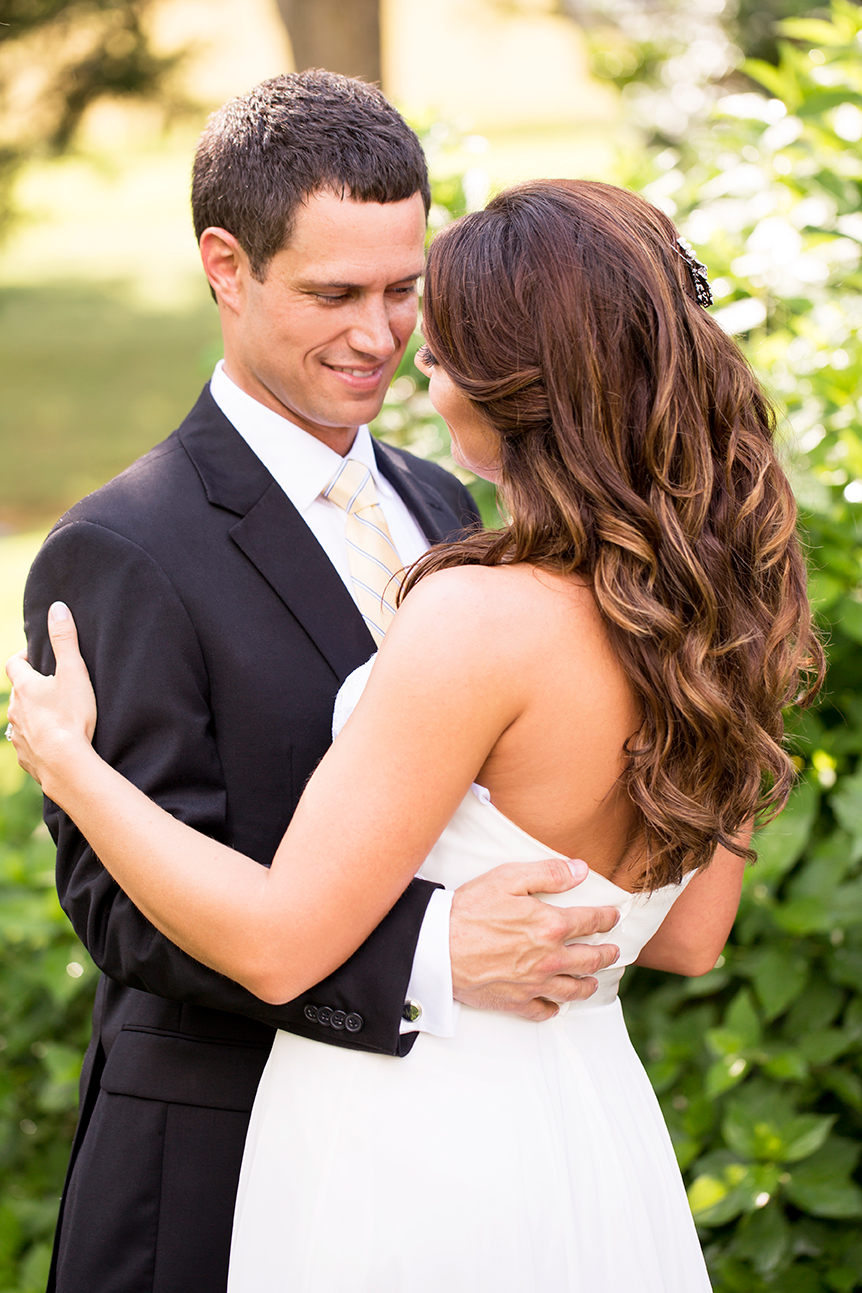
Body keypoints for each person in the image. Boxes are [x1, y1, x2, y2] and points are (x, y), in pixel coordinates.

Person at [8, 177, 822, 1290]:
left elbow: (278, 938)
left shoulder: (476, 596)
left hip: (415, 1139)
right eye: (343, 291)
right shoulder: (717, 606)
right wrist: (437, 947)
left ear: (512, 382)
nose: (403, 363)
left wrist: (63, 759)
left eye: (429, 340)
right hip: (587, 1128)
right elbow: (686, 938)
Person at [16, 76, 621, 1293]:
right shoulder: (122, 549)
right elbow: (120, 906)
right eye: (333, 294)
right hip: (214, 1161)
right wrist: (433, 952)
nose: (379, 334)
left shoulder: (447, 500)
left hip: (437, 1163)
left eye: (404, 291)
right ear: (224, 266)